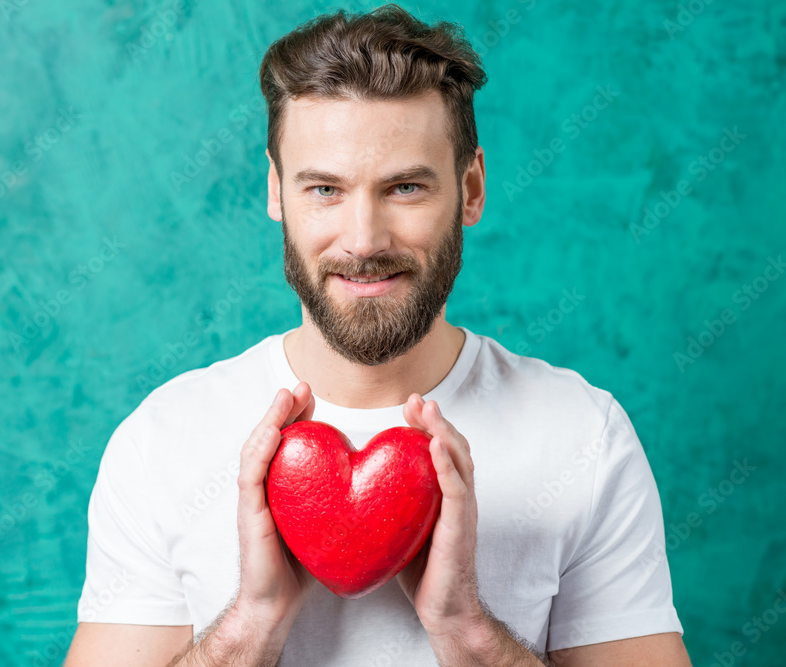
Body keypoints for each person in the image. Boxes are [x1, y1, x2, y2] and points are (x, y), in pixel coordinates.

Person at [64, 4, 691, 666]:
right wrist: (253, 620)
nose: (363, 240)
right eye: (325, 189)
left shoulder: (582, 436)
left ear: (471, 188)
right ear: (278, 192)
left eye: (406, 187)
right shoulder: (163, 439)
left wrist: (466, 629)